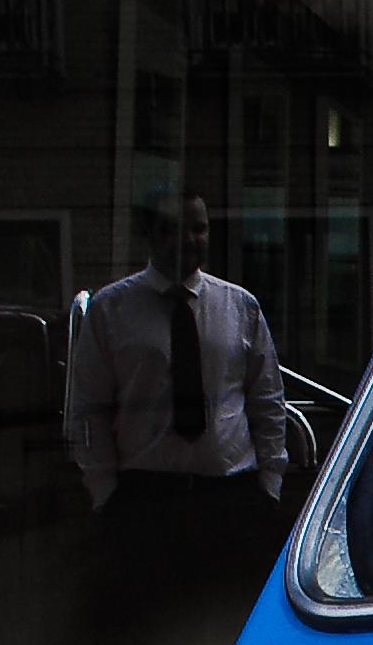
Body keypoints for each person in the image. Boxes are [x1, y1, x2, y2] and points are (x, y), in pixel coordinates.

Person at [65, 192, 293, 583]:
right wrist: (105, 494)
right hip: (145, 502)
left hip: (232, 500)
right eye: (171, 229)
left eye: (198, 228)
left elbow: (267, 401)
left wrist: (269, 486)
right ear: (148, 234)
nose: (187, 240)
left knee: (228, 615)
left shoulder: (240, 307)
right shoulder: (110, 309)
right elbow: (88, 408)